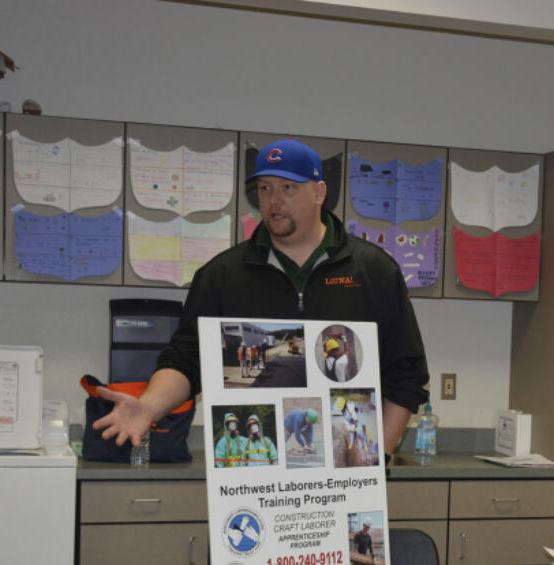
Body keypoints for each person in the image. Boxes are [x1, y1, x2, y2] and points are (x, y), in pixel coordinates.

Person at [92, 138, 428, 452]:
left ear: (319, 192)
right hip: (255, 482)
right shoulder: (222, 276)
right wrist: (149, 407)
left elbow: (407, 373)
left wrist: (376, 452)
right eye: (265, 188)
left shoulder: (374, 271)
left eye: (288, 188)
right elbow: (185, 360)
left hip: (345, 470)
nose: (274, 200)